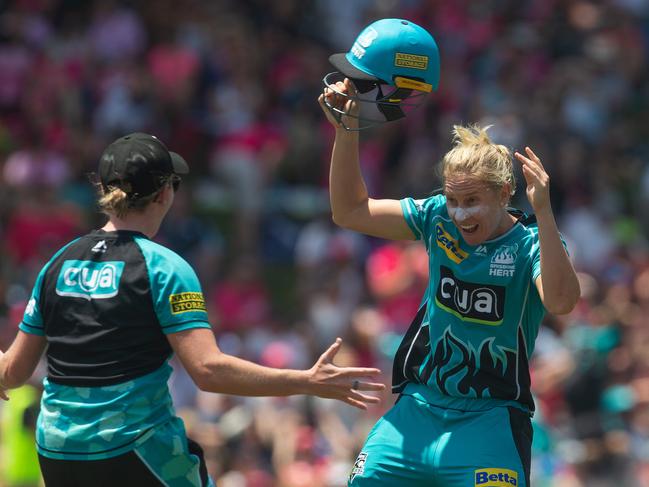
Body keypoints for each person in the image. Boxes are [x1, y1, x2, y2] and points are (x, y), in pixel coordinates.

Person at [0, 133, 385, 487]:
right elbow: (208, 370)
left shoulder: (58, 263)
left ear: (102, 190)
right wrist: (306, 380)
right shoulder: (163, 267)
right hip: (133, 449)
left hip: (57, 451)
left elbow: (12, 372)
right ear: (166, 194)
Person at [319, 36, 581, 487]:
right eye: (454, 199)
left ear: (504, 194)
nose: (461, 214)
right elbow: (350, 211)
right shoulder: (436, 217)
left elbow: (561, 303)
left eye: (473, 201)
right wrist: (347, 130)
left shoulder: (532, 244)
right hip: (415, 412)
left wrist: (545, 212)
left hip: (491, 421)